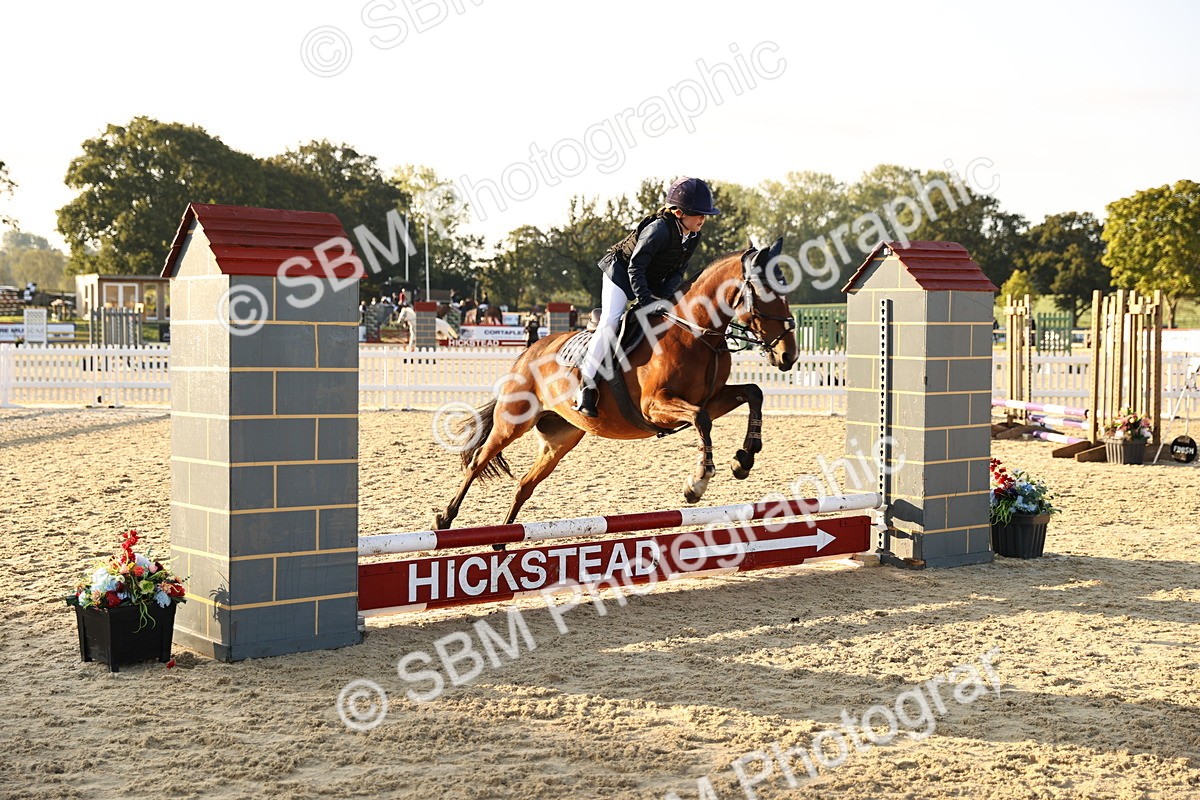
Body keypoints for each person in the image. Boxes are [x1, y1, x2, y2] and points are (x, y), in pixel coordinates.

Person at [575, 177, 721, 417]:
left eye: (705, 214)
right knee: (611, 321)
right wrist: (645, 301)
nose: (703, 218)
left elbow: (676, 272)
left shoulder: (693, 235)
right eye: (698, 213)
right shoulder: (658, 229)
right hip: (621, 274)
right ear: (677, 212)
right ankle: (586, 386)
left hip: (650, 277)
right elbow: (635, 268)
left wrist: (664, 299)